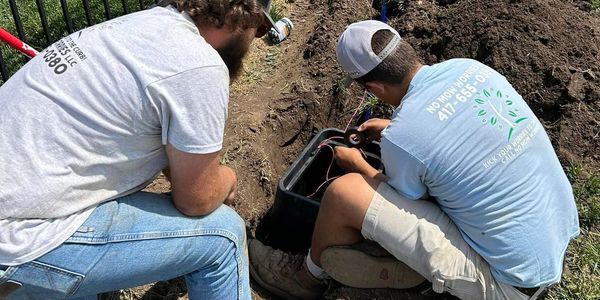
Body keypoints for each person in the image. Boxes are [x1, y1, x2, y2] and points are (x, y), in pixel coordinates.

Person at [248, 20, 580, 300]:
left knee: (345, 193)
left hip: (511, 283)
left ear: (375, 87)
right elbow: (459, 131)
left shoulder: (403, 140)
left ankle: (305, 279)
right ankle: (401, 261)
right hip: (554, 242)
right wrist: (396, 131)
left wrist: (357, 165)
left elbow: (413, 202)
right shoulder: (470, 70)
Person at [0, 0, 278, 298]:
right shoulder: (200, 64)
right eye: (260, 29)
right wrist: (227, 179)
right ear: (245, 20)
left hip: (18, 206)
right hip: (17, 241)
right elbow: (197, 199)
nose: (255, 40)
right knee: (224, 236)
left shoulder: (141, 25)